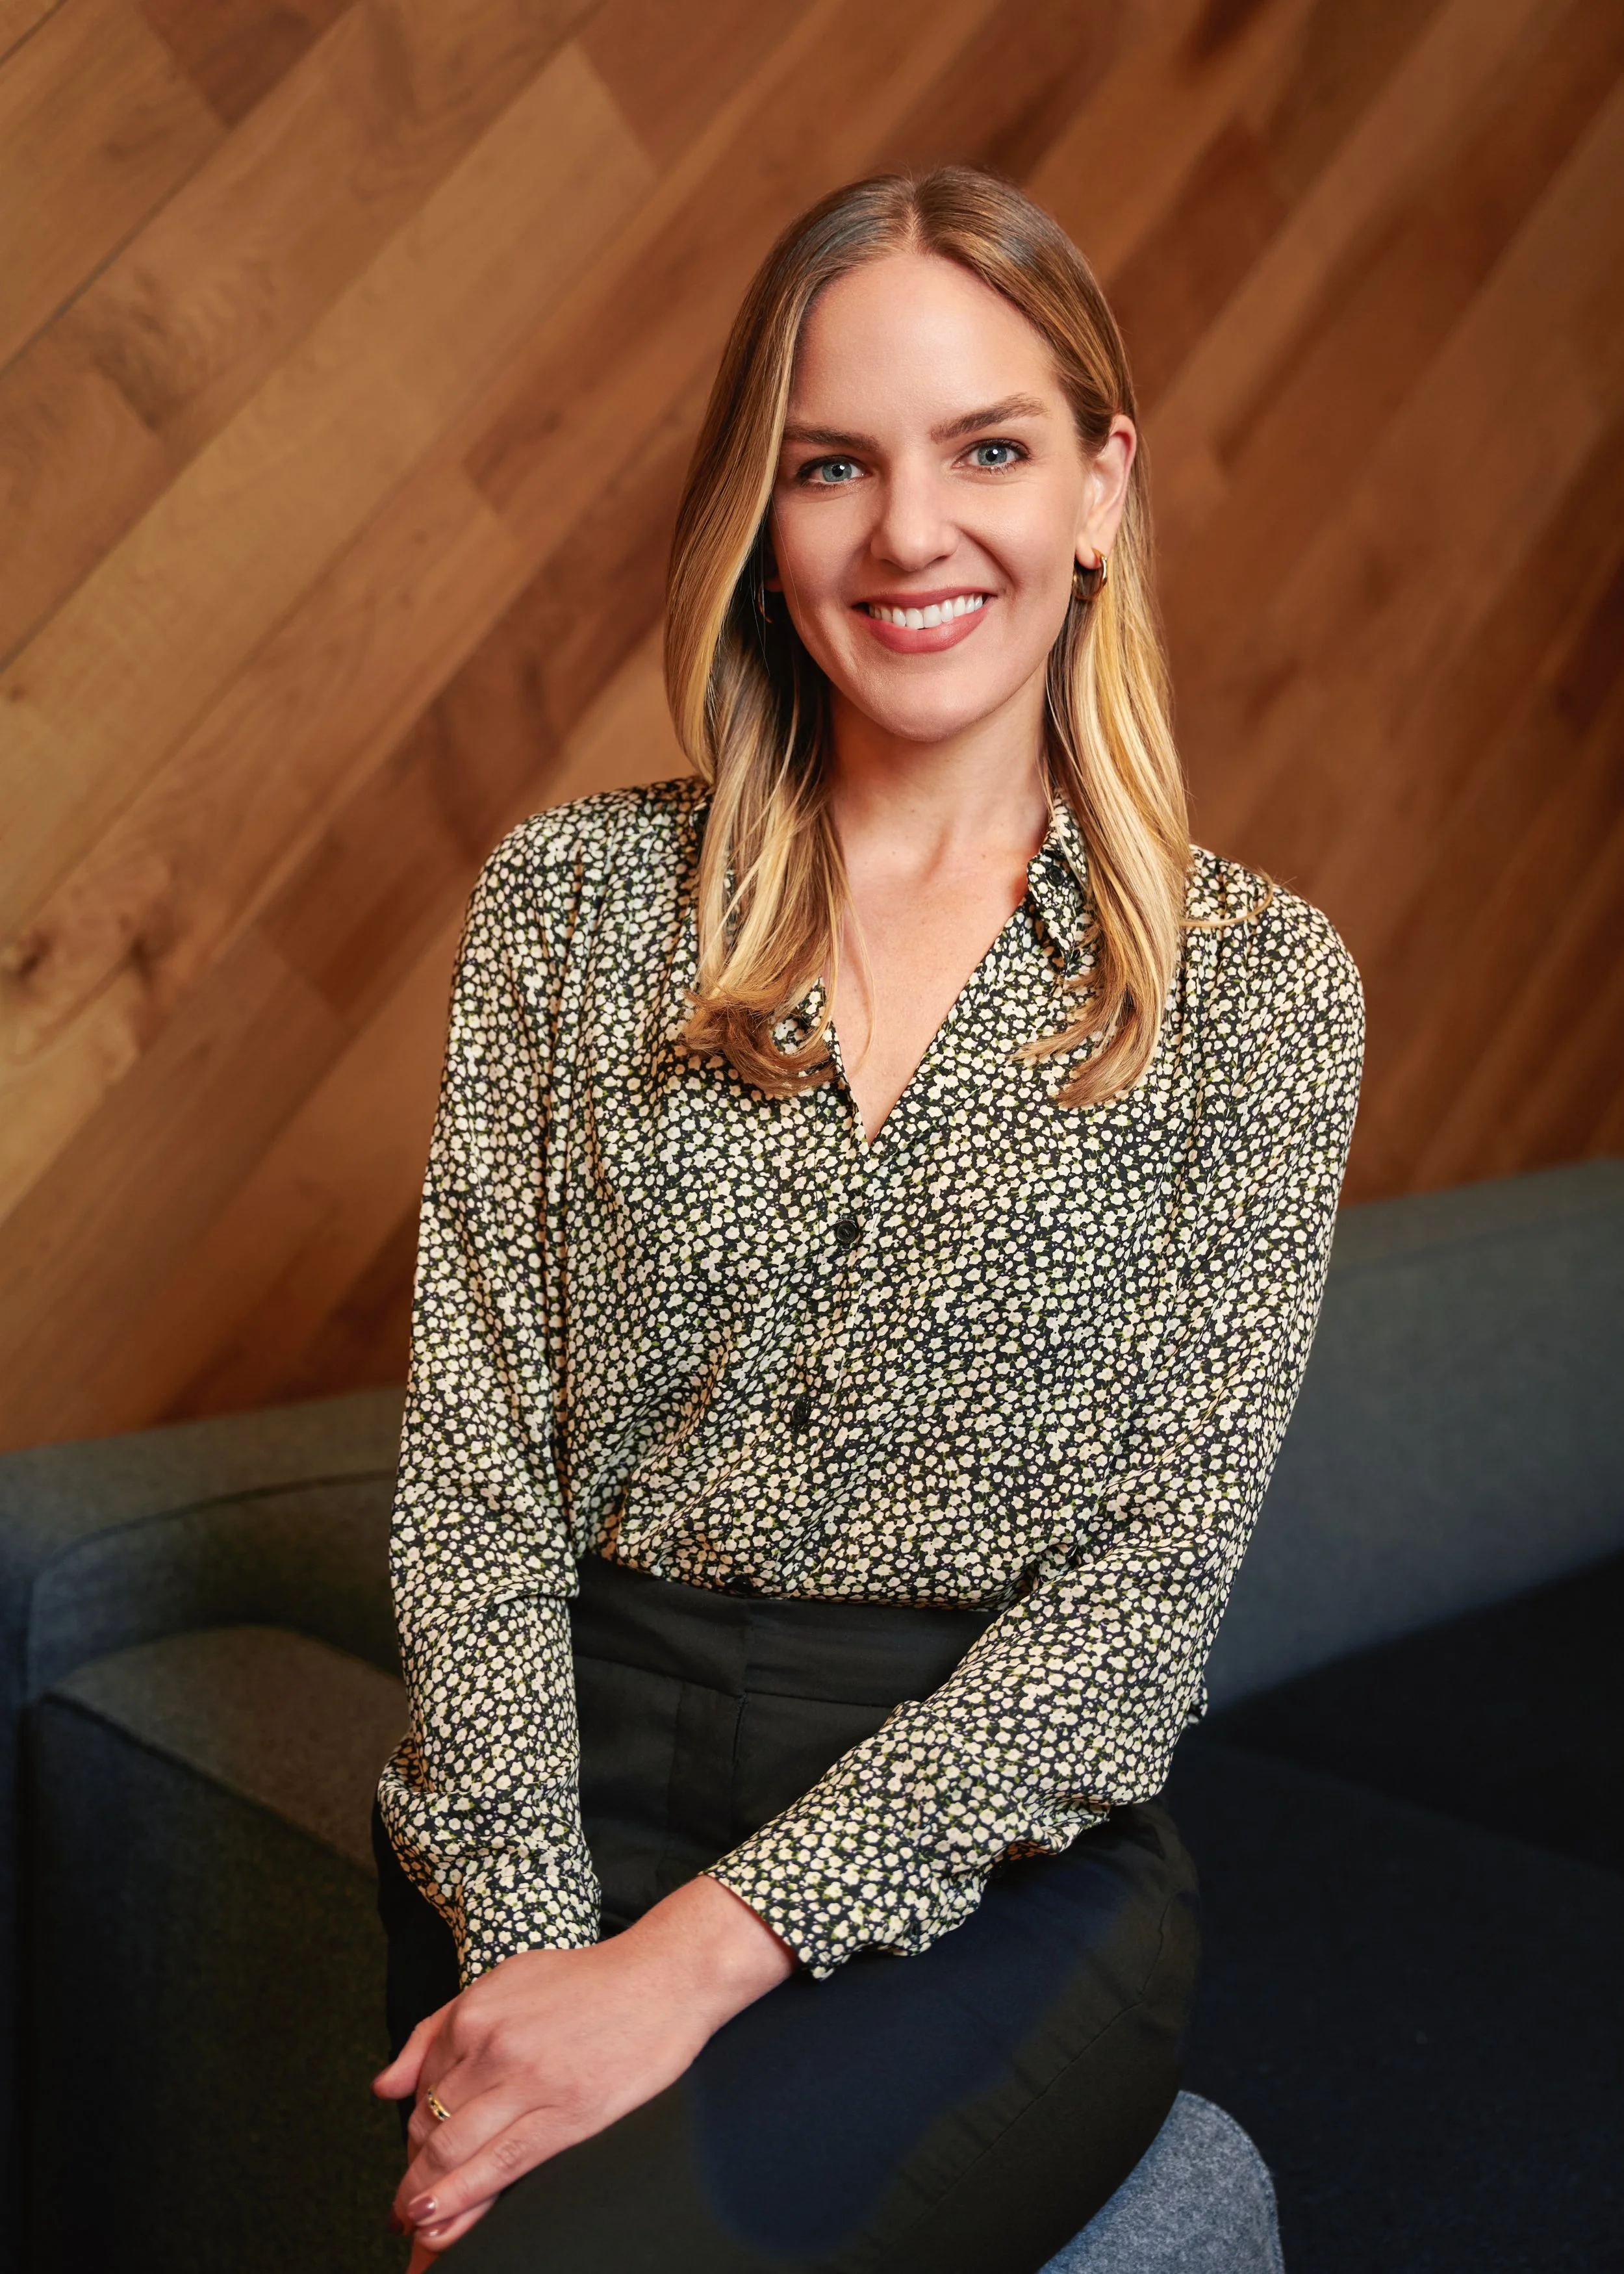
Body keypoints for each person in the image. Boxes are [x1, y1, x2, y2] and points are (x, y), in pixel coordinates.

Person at [369, 166, 1363, 2273]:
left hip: (999, 1863)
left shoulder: (1259, 994)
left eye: (986, 450)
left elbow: (1132, 1620)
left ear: (1100, 488)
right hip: (565, 1785)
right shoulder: (567, 908)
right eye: (833, 466)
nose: (911, 534)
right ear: (761, 515)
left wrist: (687, 1969)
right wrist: (548, 1947)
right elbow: (472, 1488)